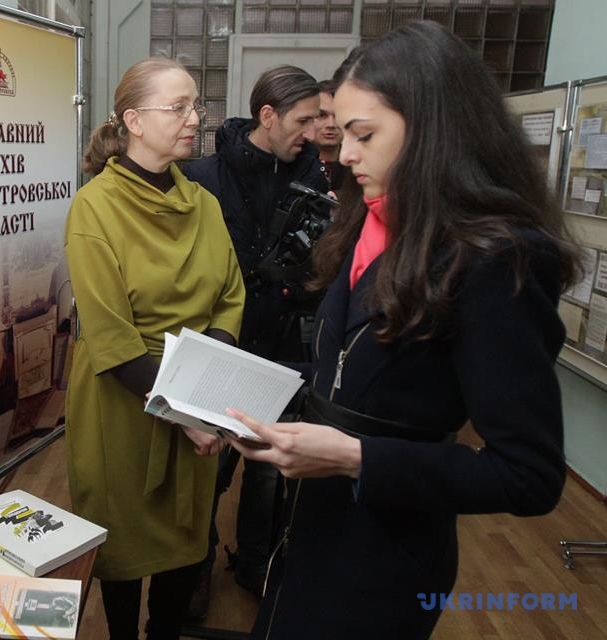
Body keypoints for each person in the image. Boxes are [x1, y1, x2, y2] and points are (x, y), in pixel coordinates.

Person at [224, 21, 579, 639]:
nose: (344, 153)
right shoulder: (371, 220)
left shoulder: (496, 260)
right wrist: (240, 390)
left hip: (385, 558)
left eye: (363, 135)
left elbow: (529, 476)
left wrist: (354, 458)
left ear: (433, 131)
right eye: (342, 132)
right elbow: (349, 372)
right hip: (310, 531)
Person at [65, 57, 245, 640]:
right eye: (179, 107)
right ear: (134, 121)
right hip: (125, 399)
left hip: (194, 391)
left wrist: (203, 388)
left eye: (196, 106)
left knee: (187, 536)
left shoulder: (204, 204)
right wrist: (184, 410)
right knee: (123, 538)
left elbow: (231, 297)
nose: (196, 119)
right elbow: (110, 333)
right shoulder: (95, 207)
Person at [181, 64, 327, 613]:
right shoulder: (203, 175)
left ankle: (255, 567)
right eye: (303, 120)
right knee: (208, 473)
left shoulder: (317, 180)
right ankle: (195, 568)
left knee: (268, 476)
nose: (312, 132)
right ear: (268, 115)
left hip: (285, 348)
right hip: (221, 345)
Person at [313, 79, 345, 193]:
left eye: (339, 115)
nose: (331, 124)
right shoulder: (291, 165)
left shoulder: (361, 166)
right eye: (321, 115)